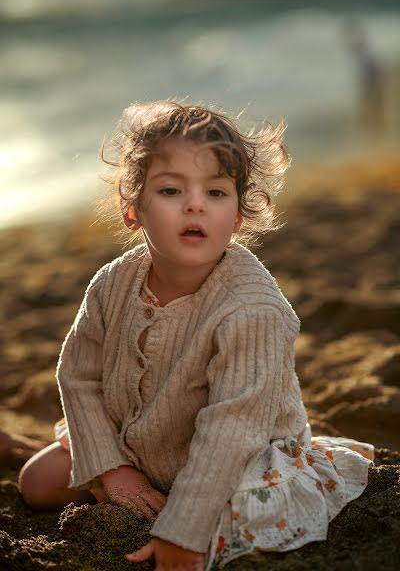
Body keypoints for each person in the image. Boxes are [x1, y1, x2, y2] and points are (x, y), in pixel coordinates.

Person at [18, 101, 374, 570]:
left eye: (217, 192)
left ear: (239, 217)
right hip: (141, 442)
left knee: (239, 527)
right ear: (134, 211)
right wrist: (113, 468)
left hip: (237, 459)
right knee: (36, 483)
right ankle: (57, 454)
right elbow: (78, 377)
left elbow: (234, 430)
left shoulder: (252, 308)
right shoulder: (113, 282)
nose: (195, 204)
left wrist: (183, 533)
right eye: (170, 190)